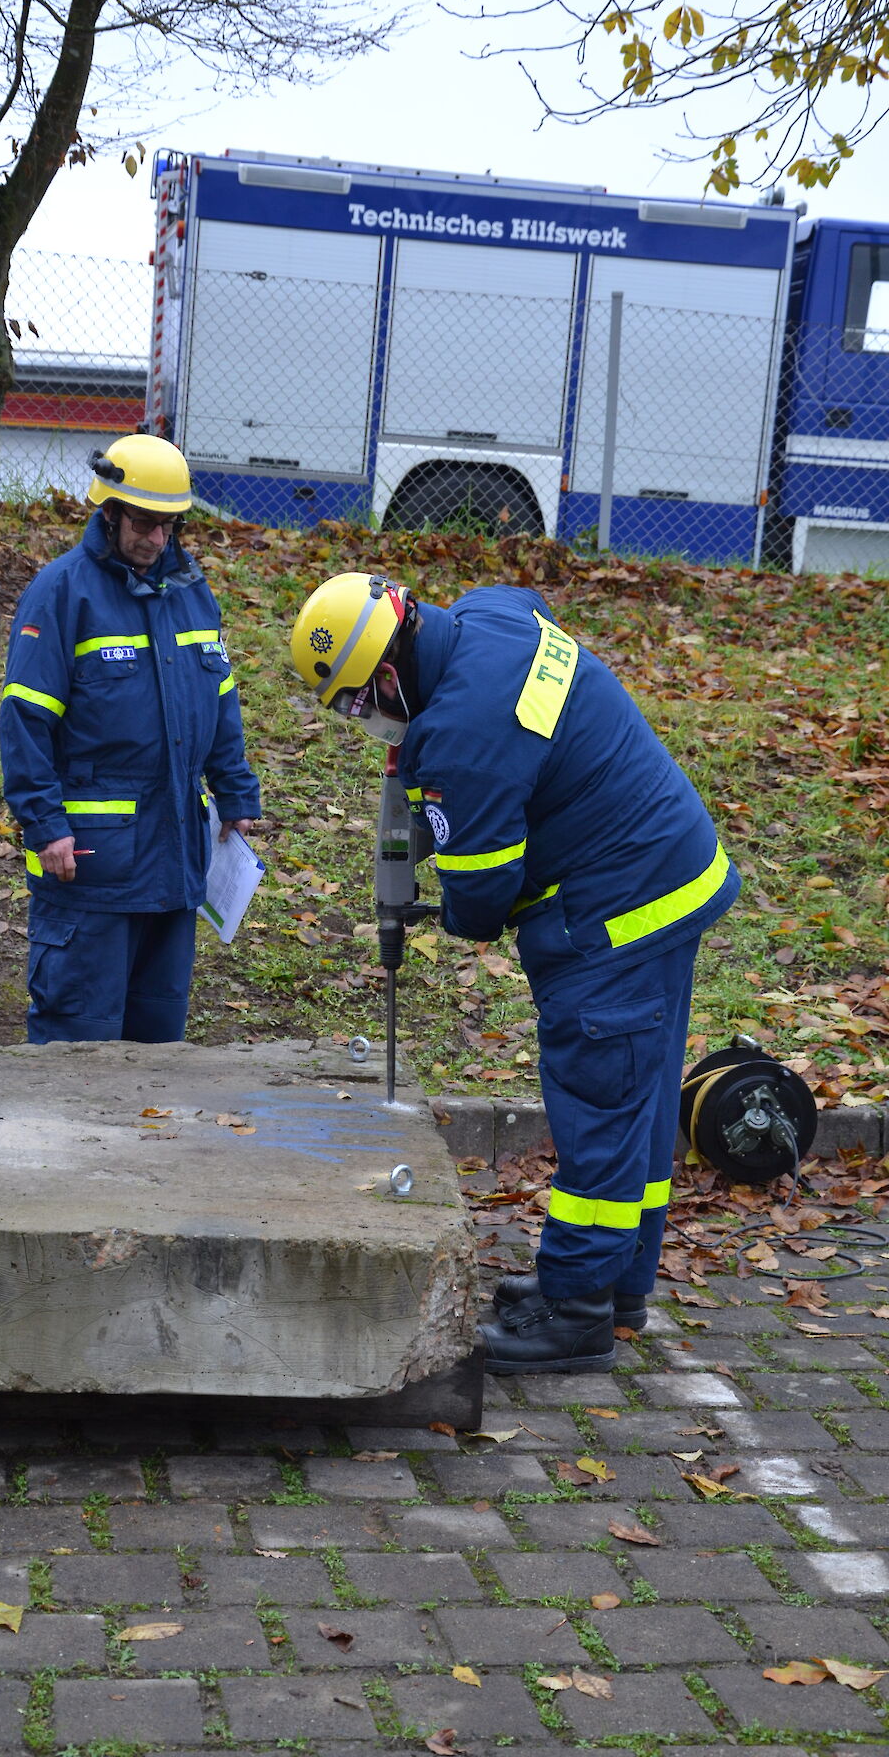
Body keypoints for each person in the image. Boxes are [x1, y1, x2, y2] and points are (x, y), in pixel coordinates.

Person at [289, 572, 739, 1374]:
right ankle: (616, 1286)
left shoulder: (458, 734)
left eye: (358, 705)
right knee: (637, 1098)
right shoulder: (490, 615)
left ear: (389, 674)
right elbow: (534, 632)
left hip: (617, 914)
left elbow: (482, 896)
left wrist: (438, 862)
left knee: (599, 1101)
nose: (364, 722)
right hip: (674, 872)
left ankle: (574, 1316)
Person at [0, 433, 261, 1044]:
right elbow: (25, 719)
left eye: (169, 525)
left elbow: (219, 698)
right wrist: (45, 826)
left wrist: (236, 791)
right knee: (78, 1042)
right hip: (90, 867)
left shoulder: (192, 593)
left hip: (174, 863)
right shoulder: (62, 593)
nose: (157, 539)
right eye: (145, 522)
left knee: (158, 1046)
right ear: (109, 509)